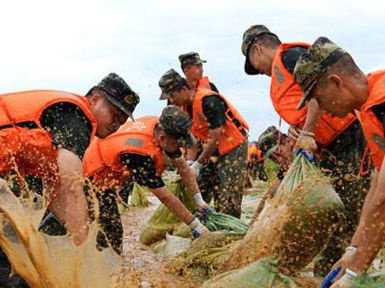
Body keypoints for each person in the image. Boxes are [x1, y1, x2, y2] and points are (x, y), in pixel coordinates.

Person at [241, 25, 370, 276]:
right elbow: (308, 102)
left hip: (347, 139)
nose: (257, 71)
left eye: (253, 64)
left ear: (257, 49)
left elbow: (317, 87)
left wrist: (308, 131)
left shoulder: (290, 56)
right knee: (331, 208)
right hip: (327, 148)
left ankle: (343, 267)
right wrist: (298, 130)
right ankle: (333, 266)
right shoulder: (279, 75)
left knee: (349, 208)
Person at [0, 73, 139, 286]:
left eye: (122, 120)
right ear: (95, 100)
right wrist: (85, 257)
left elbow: (56, 192)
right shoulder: (77, 117)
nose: (116, 124)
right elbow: (72, 189)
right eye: (114, 113)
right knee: (14, 271)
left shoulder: (61, 123)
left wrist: (75, 233)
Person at [293, 36, 385, 288]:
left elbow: (384, 201)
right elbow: (376, 187)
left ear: (336, 82)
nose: (324, 112)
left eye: (319, 101)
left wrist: (353, 275)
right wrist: (353, 249)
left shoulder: (382, 102)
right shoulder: (367, 111)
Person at [83, 105, 210, 253]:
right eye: (178, 144)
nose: (179, 148)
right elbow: (165, 197)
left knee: (109, 231)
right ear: (163, 138)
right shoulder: (141, 155)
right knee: (109, 233)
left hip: (108, 173)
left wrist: (199, 200)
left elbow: (183, 167)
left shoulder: (162, 130)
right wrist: (195, 225)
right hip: (90, 173)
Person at [158, 69, 249, 219]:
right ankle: (203, 221)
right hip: (212, 150)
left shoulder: (209, 101)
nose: (171, 100)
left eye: (172, 96)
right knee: (201, 187)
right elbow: (193, 142)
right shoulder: (182, 110)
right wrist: (189, 165)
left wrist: (198, 164)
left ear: (183, 89)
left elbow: (216, 138)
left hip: (233, 147)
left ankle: (230, 229)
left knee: (227, 193)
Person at [250, 126, 296, 222]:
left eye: (279, 153)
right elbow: (270, 194)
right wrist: (254, 220)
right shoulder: (285, 167)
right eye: (273, 158)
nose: (279, 160)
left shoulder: (305, 147)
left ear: (288, 141)